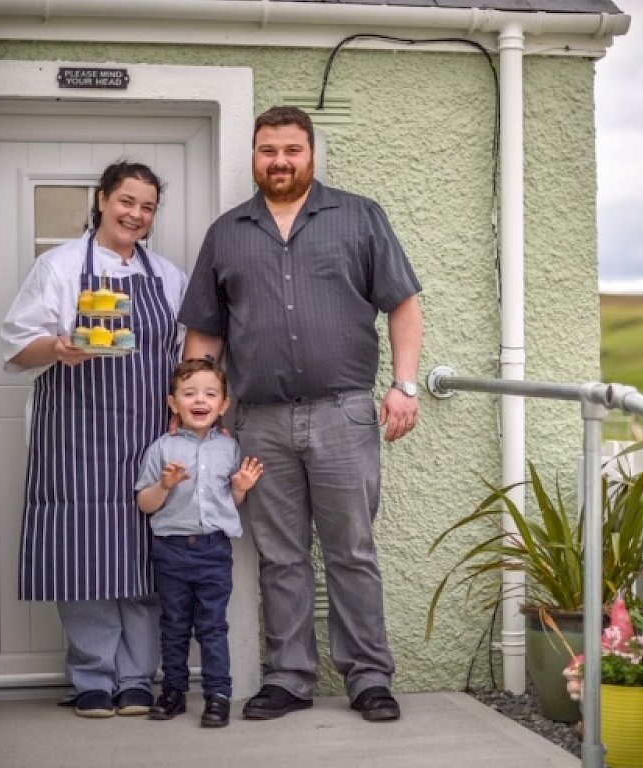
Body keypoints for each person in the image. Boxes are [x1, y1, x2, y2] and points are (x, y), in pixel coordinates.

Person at [178, 105, 423, 723]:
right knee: (280, 555)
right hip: (258, 420)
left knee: (351, 551)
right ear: (254, 155)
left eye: (291, 149)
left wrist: (405, 385)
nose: (279, 161)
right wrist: (196, 413)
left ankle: (369, 677)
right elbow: (205, 334)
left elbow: (403, 304)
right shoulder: (227, 232)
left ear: (311, 153)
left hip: (343, 413)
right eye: (268, 150)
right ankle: (288, 677)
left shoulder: (360, 217)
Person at [0, 161, 187, 718]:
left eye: (147, 207)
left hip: (148, 437)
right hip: (74, 440)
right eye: (126, 201)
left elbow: (180, 359)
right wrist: (58, 348)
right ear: (103, 200)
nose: (136, 214)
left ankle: (136, 677)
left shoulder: (169, 277)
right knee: (81, 557)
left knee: (144, 557)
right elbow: (15, 345)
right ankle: (92, 679)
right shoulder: (57, 267)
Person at [135, 358, 264, 728]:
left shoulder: (229, 449)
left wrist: (239, 489)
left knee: (212, 626)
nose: (200, 400)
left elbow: (230, 504)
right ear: (173, 403)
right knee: (174, 623)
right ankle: (173, 692)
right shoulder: (161, 449)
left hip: (213, 550)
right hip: (171, 550)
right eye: (189, 393)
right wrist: (164, 486)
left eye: (210, 393)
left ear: (223, 405)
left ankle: (218, 695)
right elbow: (145, 503)